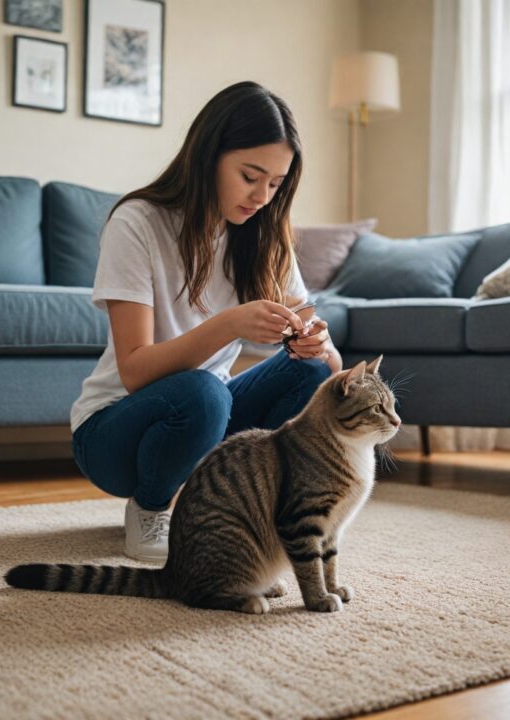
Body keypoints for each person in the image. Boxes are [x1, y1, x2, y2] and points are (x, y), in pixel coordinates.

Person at [70, 81, 343, 564]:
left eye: (276, 183)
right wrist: (231, 324)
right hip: (116, 430)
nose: (262, 196)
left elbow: (331, 369)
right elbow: (134, 370)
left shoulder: (265, 237)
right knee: (204, 391)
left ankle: (262, 514)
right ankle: (150, 508)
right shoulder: (138, 222)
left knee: (312, 373)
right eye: (250, 176)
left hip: (207, 422)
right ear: (208, 156)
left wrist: (315, 345)